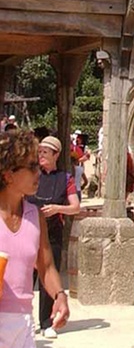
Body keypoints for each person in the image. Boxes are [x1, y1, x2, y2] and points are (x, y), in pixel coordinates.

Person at [0, 130, 70, 347]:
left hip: (23, 325)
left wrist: (59, 295)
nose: (38, 172)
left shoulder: (35, 216)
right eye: (31, 167)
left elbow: (46, 266)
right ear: (8, 175)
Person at [26, 136, 79, 339]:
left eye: (45, 153)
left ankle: (47, 322)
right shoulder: (31, 175)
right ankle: (26, 320)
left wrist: (57, 208)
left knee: (49, 277)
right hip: (30, 232)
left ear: (56, 155)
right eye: (39, 152)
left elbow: (75, 207)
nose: (41, 156)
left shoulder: (65, 178)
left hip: (53, 235)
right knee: (26, 279)